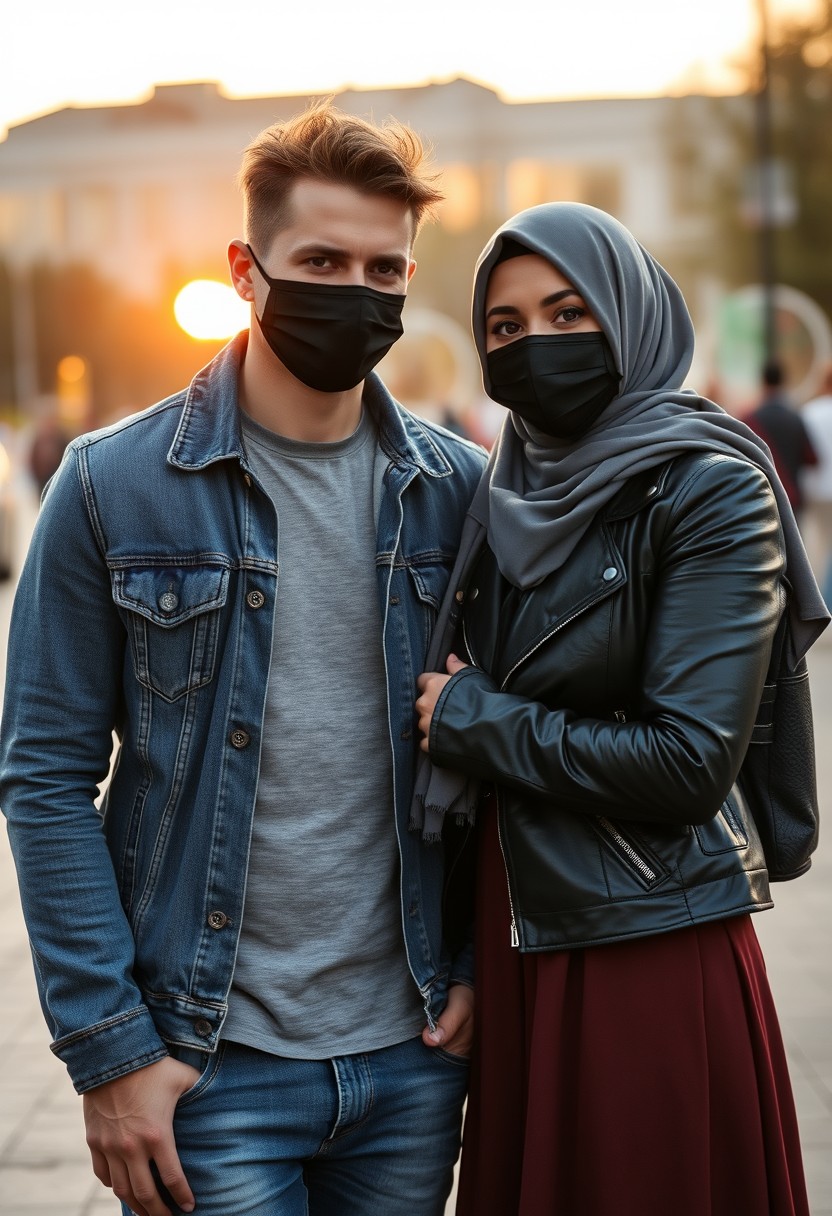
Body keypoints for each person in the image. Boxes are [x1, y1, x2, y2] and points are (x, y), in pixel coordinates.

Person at [0, 101, 486, 1216]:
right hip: (204, 1064)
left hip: (411, 1057)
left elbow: (490, 760)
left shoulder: (462, 494)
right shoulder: (108, 484)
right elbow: (43, 776)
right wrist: (111, 1052)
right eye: (319, 259)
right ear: (244, 268)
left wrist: (473, 974)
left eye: (383, 268)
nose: (354, 291)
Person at [413, 202, 829, 1216]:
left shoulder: (708, 486)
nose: (533, 346)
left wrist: (473, 718)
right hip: (521, 935)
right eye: (503, 329)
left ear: (630, 315)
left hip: (642, 937)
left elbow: (687, 762)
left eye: (567, 313)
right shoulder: (504, 492)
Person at [744, 357, 818, 517]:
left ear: (763, 381)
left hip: (762, 496)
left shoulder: (750, 419)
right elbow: (812, 458)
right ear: (783, 381)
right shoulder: (795, 416)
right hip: (792, 496)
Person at [802, 361, 832, 609]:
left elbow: (807, 454)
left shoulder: (810, 412)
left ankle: (817, 603)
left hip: (815, 488)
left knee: (816, 546)